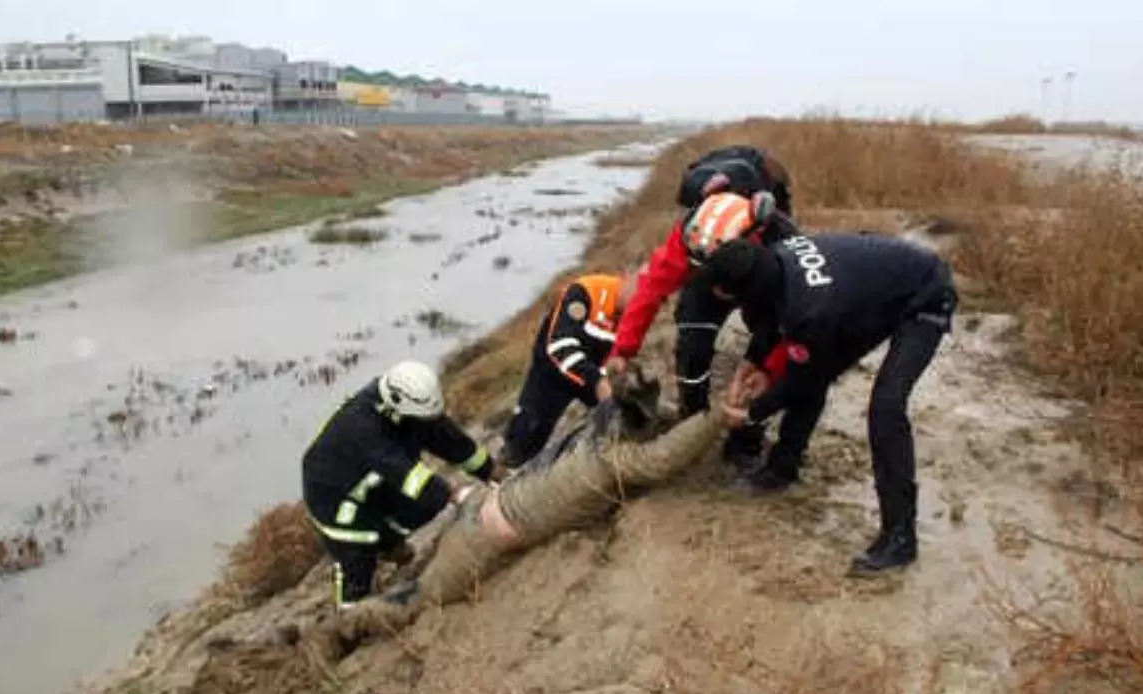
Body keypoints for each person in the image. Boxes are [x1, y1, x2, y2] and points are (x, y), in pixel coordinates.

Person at [709, 231, 958, 574]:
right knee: (812, 363)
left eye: (731, 297)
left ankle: (900, 538)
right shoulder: (772, 261)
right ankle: (782, 469)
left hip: (925, 295)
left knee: (885, 406)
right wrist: (751, 365)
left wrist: (751, 414)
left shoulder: (812, 309)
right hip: (869, 293)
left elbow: (803, 376)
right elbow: (772, 320)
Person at [606, 145, 799, 469]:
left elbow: (791, 322)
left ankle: (746, 441)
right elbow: (650, 291)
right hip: (705, 282)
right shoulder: (690, 236)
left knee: (766, 355)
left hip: (761, 278)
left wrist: (765, 367)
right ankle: (693, 415)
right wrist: (623, 350)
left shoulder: (781, 242)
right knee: (693, 349)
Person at [302, 360, 507, 609]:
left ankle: (387, 543)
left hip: (373, 480)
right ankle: (348, 618)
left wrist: (493, 472)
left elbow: (450, 441)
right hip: (333, 494)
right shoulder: (364, 428)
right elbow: (407, 474)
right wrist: (460, 495)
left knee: (426, 503)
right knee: (358, 559)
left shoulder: (411, 411)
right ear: (397, 407)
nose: (430, 421)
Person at [498, 270, 639, 468]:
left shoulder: (636, 315)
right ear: (627, 277)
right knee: (530, 429)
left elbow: (621, 355)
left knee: (624, 411)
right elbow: (559, 345)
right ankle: (508, 467)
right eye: (640, 288)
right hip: (554, 369)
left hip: (591, 371)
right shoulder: (586, 291)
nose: (642, 299)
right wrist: (597, 381)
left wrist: (611, 379)